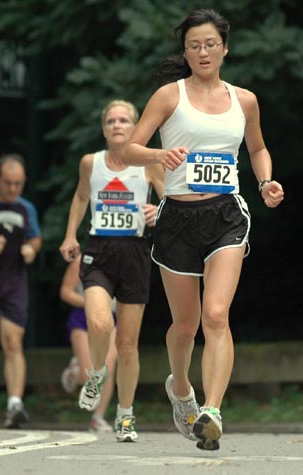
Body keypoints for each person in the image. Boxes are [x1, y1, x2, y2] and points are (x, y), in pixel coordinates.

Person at [121, 8, 284, 451]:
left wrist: (267, 180)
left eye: (210, 43)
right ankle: (180, 389)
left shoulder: (244, 99)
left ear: (225, 48)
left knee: (216, 315)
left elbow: (258, 147)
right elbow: (131, 148)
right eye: (194, 45)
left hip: (227, 215)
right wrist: (159, 157)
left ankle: (211, 410)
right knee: (185, 324)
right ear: (186, 52)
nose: (203, 51)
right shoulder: (168, 97)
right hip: (177, 219)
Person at [59, 99, 164, 442]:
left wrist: (157, 212)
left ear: (134, 127)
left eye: (124, 120)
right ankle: (97, 373)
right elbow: (80, 198)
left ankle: (126, 416)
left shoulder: (149, 163)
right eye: (111, 121)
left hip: (134, 252)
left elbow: (171, 202)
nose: (117, 125)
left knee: (129, 344)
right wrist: (70, 234)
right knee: (100, 322)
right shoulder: (91, 163)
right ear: (104, 128)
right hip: (98, 250)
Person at [0, 153, 42, 429]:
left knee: (13, 340)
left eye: (18, 184)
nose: (13, 189)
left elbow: (35, 237)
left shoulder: (26, 208)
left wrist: (31, 248)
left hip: (14, 284)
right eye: (8, 183)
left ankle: (15, 405)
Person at [59, 258, 118, 433]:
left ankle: (97, 418)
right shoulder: (81, 261)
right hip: (83, 318)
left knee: (109, 366)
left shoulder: (124, 257)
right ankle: (76, 372)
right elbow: (66, 291)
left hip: (112, 318)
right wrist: (93, 303)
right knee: (88, 376)